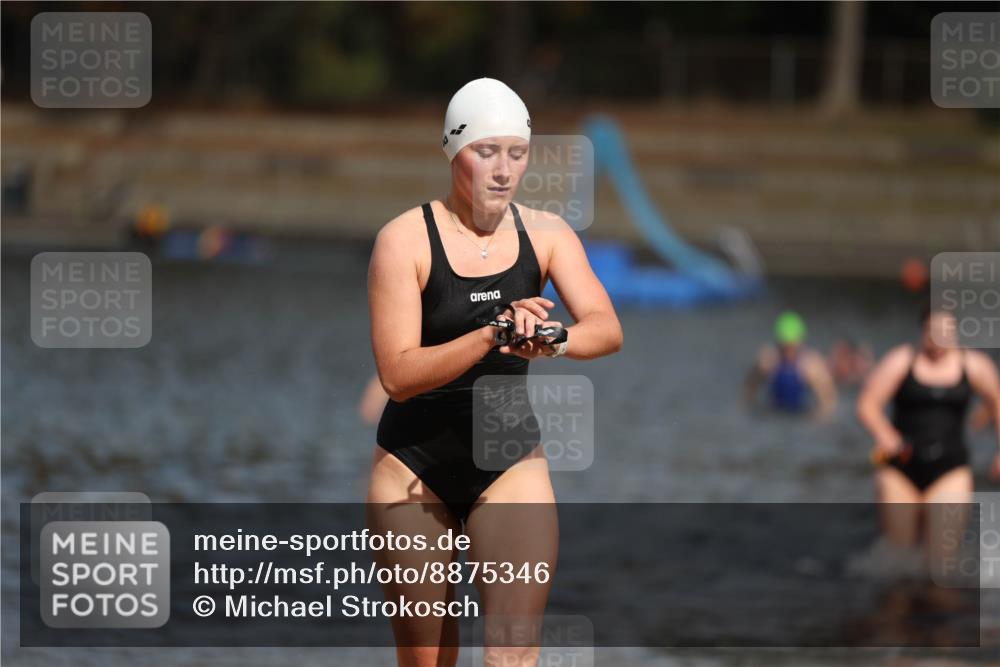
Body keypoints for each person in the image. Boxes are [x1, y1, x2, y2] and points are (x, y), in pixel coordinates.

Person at [366, 77, 623, 666]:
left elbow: (606, 327)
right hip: (413, 468)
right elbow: (398, 375)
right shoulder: (405, 240)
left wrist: (552, 340)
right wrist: (492, 333)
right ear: (455, 151)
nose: (504, 169)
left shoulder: (548, 234)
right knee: (428, 659)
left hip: (510, 464)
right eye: (487, 152)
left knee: (513, 654)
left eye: (517, 152)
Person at [857, 306, 1000, 554]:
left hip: (950, 469)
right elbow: (867, 404)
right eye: (933, 331)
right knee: (898, 555)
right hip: (901, 467)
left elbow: (996, 401)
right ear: (923, 331)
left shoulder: (975, 365)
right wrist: (885, 434)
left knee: (942, 558)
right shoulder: (902, 360)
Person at [744, 311, 837, 421]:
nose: (789, 351)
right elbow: (749, 389)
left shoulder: (810, 363)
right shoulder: (769, 359)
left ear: (800, 341)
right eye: (786, 346)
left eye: (792, 346)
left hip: (800, 414)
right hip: (774, 413)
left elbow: (828, 398)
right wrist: (754, 410)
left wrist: (820, 417)